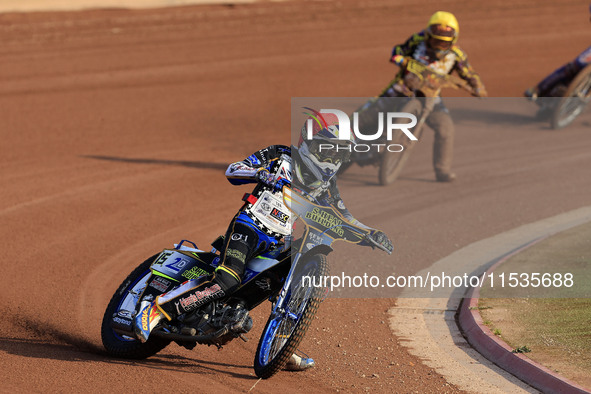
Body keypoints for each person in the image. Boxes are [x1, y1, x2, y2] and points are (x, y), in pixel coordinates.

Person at [133, 114, 392, 371]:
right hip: (249, 227)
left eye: (339, 153)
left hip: (278, 242)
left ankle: (284, 342)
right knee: (227, 279)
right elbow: (233, 169)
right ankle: (156, 311)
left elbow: (342, 215)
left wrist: (370, 233)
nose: (333, 159)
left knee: (294, 282)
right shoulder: (280, 155)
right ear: (311, 142)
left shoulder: (326, 184)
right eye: (330, 150)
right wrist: (260, 173)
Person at [382, 11, 487, 182]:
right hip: (403, 89)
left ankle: (442, 170)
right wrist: (398, 57)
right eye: (435, 40)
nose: (438, 45)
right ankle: (341, 149)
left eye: (443, 42)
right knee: (370, 113)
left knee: (446, 129)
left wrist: (478, 86)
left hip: (432, 98)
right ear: (428, 35)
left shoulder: (457, 55)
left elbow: (469, 73)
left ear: (453, 40)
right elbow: (399, 49)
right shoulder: (417, 41)